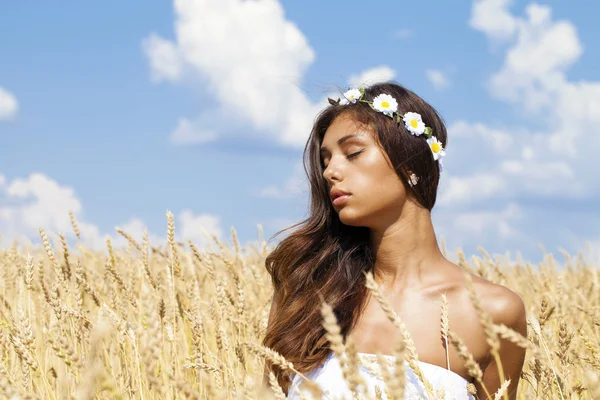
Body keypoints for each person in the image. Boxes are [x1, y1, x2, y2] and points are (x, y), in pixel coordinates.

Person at [262, 82, 527, 399]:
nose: (331, 171)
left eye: (353, 153)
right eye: (325, 160)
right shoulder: (306, 290)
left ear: (411, 162)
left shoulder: (493, 312)